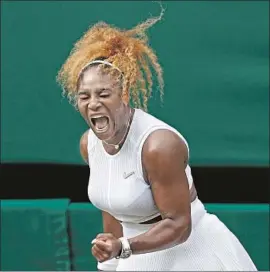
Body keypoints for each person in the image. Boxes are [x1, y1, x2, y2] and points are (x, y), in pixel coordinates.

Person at [56, 9, 257, 271]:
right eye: (84, 97)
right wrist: (111, 260)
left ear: (124, 93)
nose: (93, 104)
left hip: (192, 253)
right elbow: (111, 202)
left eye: (103, 94)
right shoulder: (89, 144)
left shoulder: (159, 146)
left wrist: (124, 248)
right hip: (136, 255)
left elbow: (178, 225)